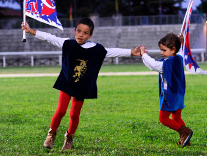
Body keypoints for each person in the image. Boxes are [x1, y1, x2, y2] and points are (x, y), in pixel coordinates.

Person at [21, 18, 141, 150]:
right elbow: (50, 38)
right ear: (74, 31)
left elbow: (112, 51)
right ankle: (51, 134)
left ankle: (69, 138)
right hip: (66, 83)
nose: (81, 35)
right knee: (61, 111)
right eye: (78, 31)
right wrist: (30, 30)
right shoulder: (67, 43)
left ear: (90, 35)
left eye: (85, 33)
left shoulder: (97, 49)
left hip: (82, 87)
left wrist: (131, 52)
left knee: (74, 114)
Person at [139, 33, 192, 147]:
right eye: (161, 50)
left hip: (170, 95)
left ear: (173, 50)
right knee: (176, 117)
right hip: (179, 95)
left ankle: (184, 132)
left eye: (164, 50)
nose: (161, 53)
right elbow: (181, 51)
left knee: (163, 119)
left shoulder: (166, 64)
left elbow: (153, 65)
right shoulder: (178, 58)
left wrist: (143, 54)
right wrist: (181, 42)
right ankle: (186, 139)